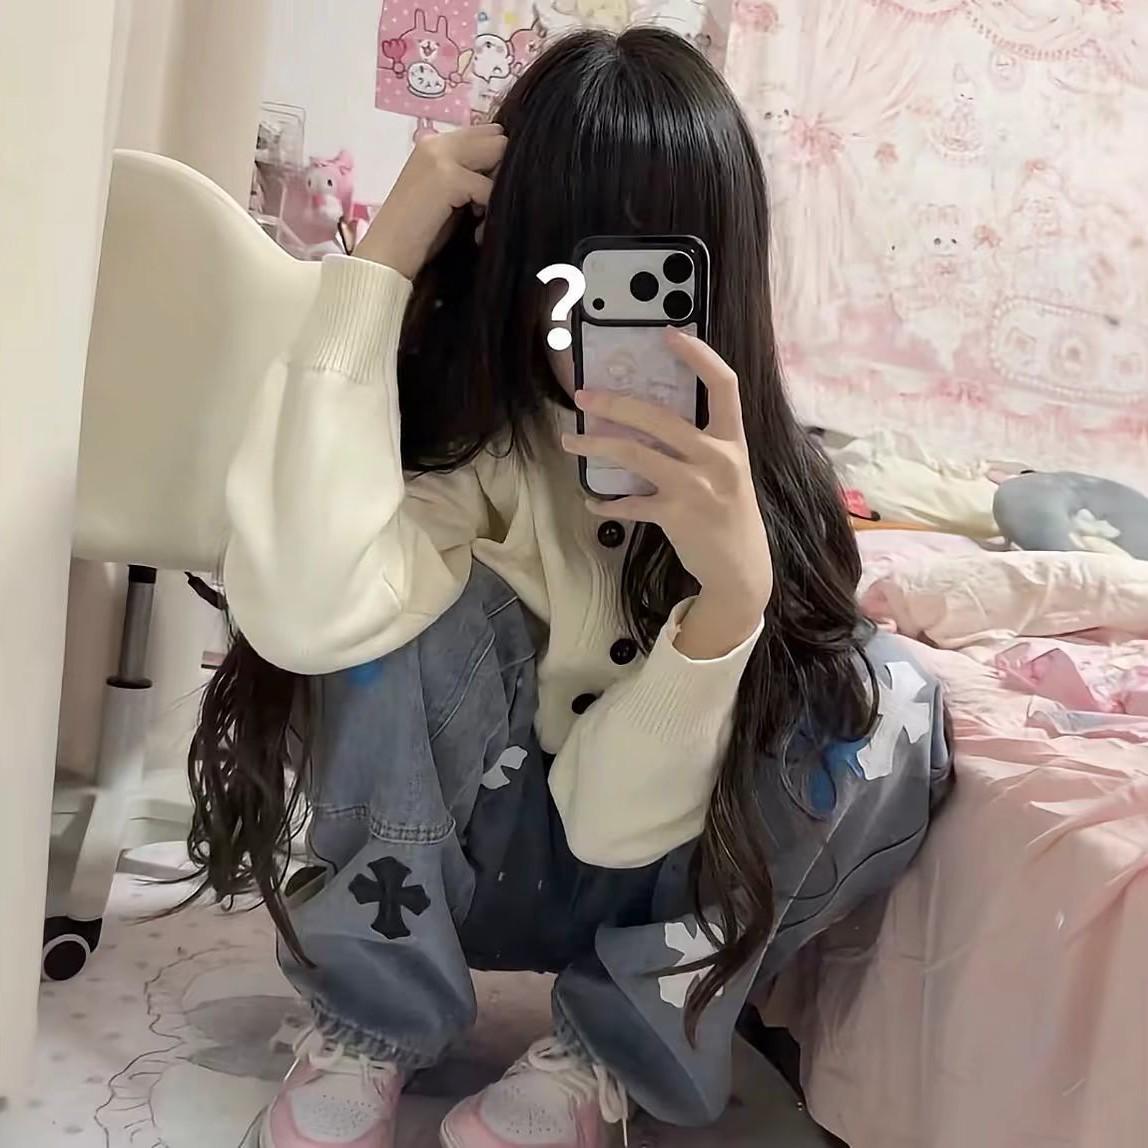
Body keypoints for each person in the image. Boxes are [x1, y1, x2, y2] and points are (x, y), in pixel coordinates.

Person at [188, 27, 953, 1148]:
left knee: (885, 701)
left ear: (719, 271)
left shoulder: (768, 492)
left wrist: (726, 605)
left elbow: (614, 824)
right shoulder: (464, 448)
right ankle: (371, 1021)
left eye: (654, 274)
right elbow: (304, 612)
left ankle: (609, 1046)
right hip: (447, 870)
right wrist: (382, 262)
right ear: (509, 253)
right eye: (576, 265)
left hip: (652, 886)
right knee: (399, 606)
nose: (603, 318)